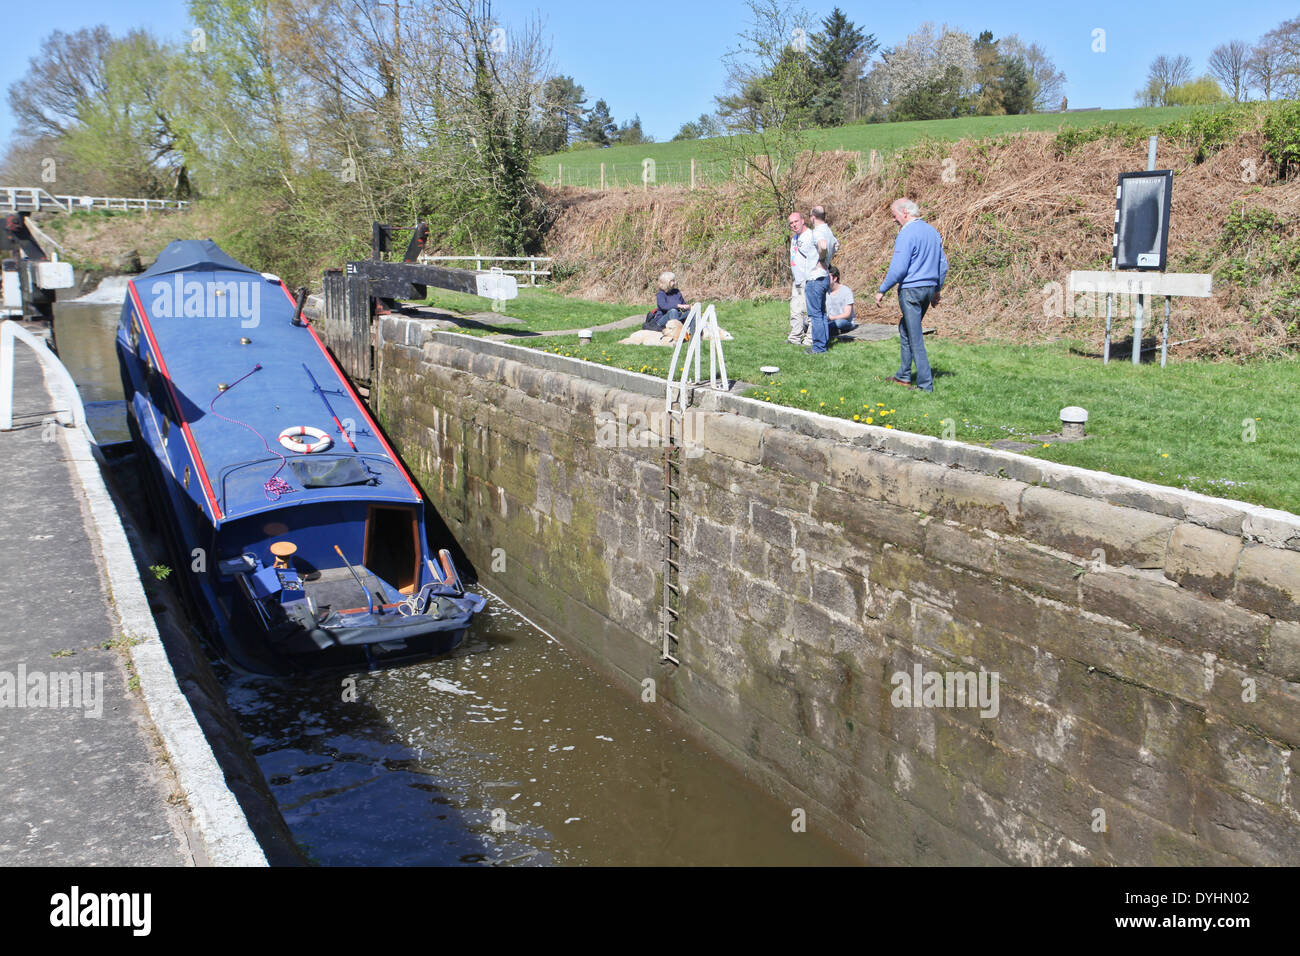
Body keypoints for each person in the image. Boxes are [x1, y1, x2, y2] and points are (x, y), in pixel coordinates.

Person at [875, 198, 947, 392]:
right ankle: (903, 375)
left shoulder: (906, 233)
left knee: (915, 336)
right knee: (906, 329)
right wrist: (937, 290)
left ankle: (925, 385)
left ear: (905, 212)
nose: (893, 220)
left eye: (894, 215)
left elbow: (898, 269)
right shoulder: (932, 232)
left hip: (912, 291)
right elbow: (943, 265)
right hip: (928, 289)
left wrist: (882, 289)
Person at [804, 205, 839, 354]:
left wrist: (822, 259)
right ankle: (823, 344)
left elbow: (823, 245)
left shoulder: (818, 231)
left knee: (815, 314)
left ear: (813, 217)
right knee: (822, 313)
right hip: (824, 277)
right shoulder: (828, 230)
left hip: (815, 277)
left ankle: (818, 348)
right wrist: (829, 260)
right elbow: (837, 245)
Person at [786, 211, 816, 345]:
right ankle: (795, 338)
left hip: (808, 280)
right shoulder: (794, 239)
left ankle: (810, 339)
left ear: (803, 220)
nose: (793, 225)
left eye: (796, 221)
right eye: (791, 223)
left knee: (810, 312)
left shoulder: (810, 236)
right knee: (795, 311)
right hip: (797, 281)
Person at [826, 265, 858, 338]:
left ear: (835, 278)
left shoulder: (846, 291)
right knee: (806, 321)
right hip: (829, 320)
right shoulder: (826, 291)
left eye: (828, 278)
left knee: (839, 323)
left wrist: (830, 318)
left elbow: (847, 314)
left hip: (845, 322)